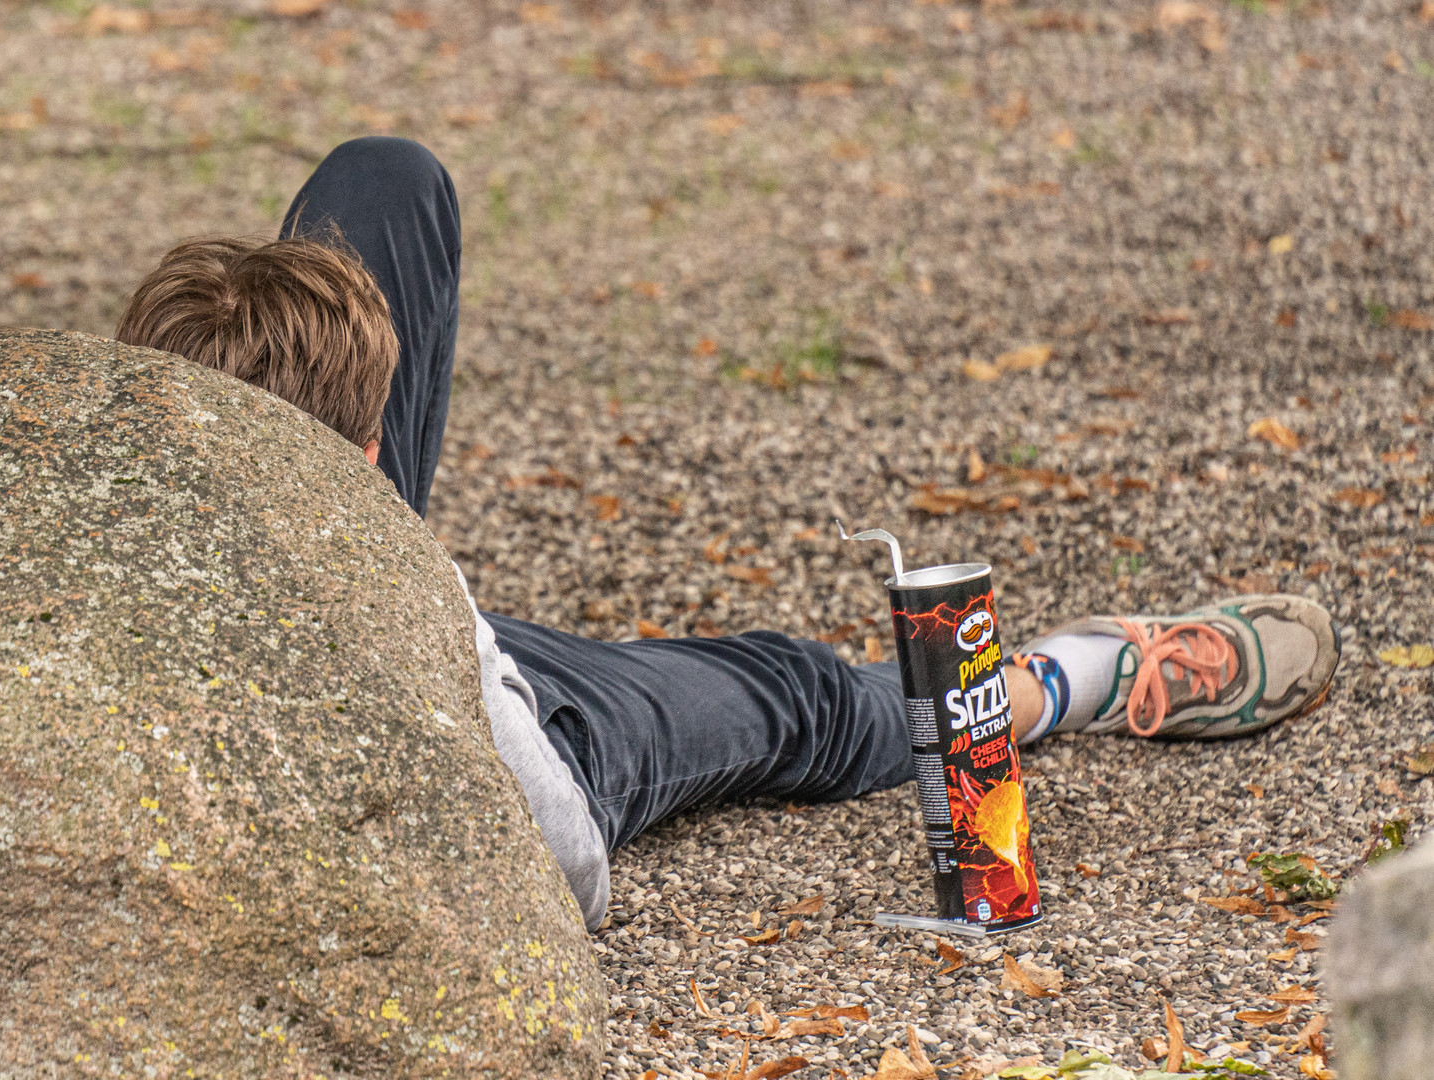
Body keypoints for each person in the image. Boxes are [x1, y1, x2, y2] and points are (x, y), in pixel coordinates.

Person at [112, 137, 1340, 929]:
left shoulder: (127, 508)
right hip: (527, 727)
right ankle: (1065, 680)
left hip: (361, 591)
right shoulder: (442, 660)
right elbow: (566, 866)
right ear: (372, 458)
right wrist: (452, 628)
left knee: (381, 180)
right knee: (790, 694)